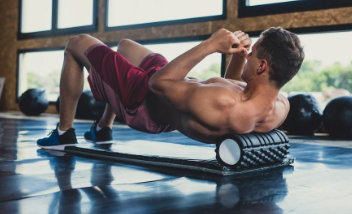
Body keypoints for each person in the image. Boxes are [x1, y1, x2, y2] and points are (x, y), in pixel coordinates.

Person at [37, 27, 304, 149]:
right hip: (172, 93)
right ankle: (102, 128)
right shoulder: (279, 105)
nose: (248, 55)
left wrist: (210, 45)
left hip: (141, 99)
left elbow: (158, 84)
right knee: (127, 45)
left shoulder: (224, 102)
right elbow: (234, 86)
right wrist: (236, 55)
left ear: (261, 67)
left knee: (77, 42)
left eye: (252, 54)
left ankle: (63, 132)